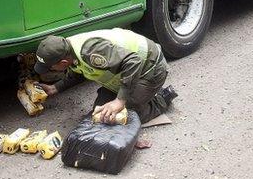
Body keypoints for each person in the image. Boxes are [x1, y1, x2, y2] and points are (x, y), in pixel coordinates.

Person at [33, 28, 177, 124]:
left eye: (50, 68)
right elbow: (78, 70)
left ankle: (162, 98)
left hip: (151, 69)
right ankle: (138, 93)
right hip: (127, 72)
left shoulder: (89, 51)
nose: (49, 70)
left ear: (63, 62)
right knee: (101, 113)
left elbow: (133, 61)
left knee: (126, 113)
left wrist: (120, 101)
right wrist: (55, 88)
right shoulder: (68, 48)